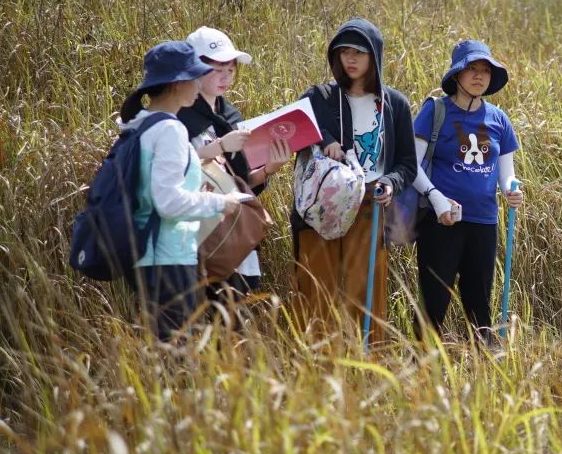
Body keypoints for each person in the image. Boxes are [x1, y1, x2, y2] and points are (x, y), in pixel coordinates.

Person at [291, 18, 417, 341]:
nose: (351, 59)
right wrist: (326, 140)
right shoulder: (319, 96)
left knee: (366, 290)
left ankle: (369, 365)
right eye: (344, 51)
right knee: (316, 286)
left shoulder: (395, 105)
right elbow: (297, 130)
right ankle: (315, 365)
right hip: (323, 203)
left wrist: (390, 183)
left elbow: (406, 164)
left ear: (374, 56)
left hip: (370, 203)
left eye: (359, 52)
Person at [119, 41, 242, 342]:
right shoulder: (170, 130)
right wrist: (220, 202)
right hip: (169, 255)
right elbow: (169, 201)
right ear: (177, 85)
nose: (199, 83)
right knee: (178, 355)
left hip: (145, 253)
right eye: (194, 77)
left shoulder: (138, 124)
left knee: (164, 350)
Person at [411, 40, 523, 343]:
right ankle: (421, 366)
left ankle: (485, 367)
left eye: (485, 70)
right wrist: (436, 199)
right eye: (471, 69)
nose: (479, 76)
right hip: (441, 222)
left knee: (479, 303)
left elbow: (506, 175)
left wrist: (512, 190)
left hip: (484, 222)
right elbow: (412, 165)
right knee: (434, 302)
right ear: (456, 75)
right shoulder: (436, 112)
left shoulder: (499, 120)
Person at [178, 26, 291, 301]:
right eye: (217, 69)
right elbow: (176, 166)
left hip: (234, 232)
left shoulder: (229, 115)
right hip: (198, 233)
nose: (225, 77)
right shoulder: (178, 114)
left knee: (233, 313)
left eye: (230, 69)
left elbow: (240, 180)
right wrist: (219, 147)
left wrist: (269, 169)